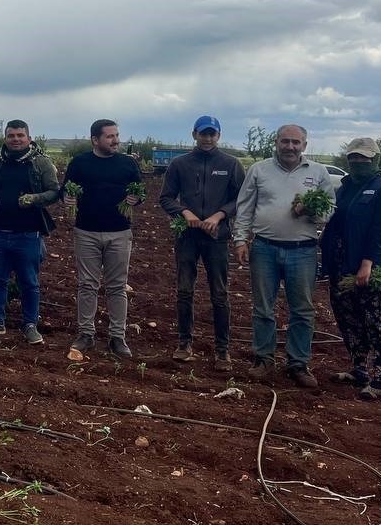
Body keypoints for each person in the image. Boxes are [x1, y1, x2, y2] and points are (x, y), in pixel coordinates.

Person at [233, 124, 334, 388]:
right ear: (276, 142)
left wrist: (309, 210)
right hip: (264, 248)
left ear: (304, 145)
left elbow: (329, 210)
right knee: (263, 307)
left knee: (302, 309)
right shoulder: (259, 170)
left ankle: (298, 363)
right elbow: (245, 207)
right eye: (285, 141)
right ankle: (264, 359)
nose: (290, 147)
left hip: (303, 250)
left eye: (296, 142)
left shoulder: (318, 172)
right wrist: (241, 239)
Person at [320, 138, 381, 400]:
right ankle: (360, 369)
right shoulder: (345, 187)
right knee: (350, 319)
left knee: (379, 321)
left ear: (375, 159)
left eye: (365, 157)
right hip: (341, 265)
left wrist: (367, 263)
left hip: (371, 267)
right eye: (354, 157)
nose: (359, 162)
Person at [158, 116, 245, 370]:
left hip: (216, 238)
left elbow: (240, 199)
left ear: (218, 136)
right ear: (194, 134)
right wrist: (184, 212)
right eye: (203, 133)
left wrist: (219, 216)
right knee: (185, 290)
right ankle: (184, 343)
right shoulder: (180, 164)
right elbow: (166, 198)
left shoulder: (230, 164)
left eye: (212, 134)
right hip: (187, 236)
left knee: (219, 293)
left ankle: (222, 350)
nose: (207, 138)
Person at [61, 120, 144, 358]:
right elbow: (65, 189)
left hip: (119, 232)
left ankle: (117, 337)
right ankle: (86, 334)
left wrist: (136, 199)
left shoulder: (128, 164)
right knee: (87, 285)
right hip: (86, 232)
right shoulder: (80, 163)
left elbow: (140, 191)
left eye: (116, 135)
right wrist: (67, 198)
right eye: (110, 136)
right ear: (95, 140)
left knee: (117, 286)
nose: (116, 140)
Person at [0, 120, 60, 344]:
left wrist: (34, 198)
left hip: (28, 234)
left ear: (29, 138)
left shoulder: (41, 163)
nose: (16, 139)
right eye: (11, 136)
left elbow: (54, 191)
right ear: (5, 138)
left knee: (29, 282)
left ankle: (30, 324)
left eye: (20, 135)